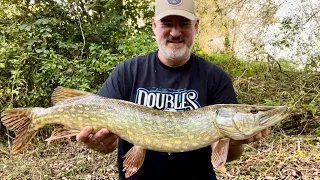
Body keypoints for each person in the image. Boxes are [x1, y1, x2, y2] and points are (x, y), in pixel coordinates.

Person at [76, 0, 269, 179]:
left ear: (196, 26)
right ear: (154, 25)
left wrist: (235, 142)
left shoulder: (216, 78)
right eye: (167, 23)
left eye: (184, 23)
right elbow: (104, 140)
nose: (175, 32)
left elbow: (229, 155)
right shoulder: (128, 71)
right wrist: (100, 144)